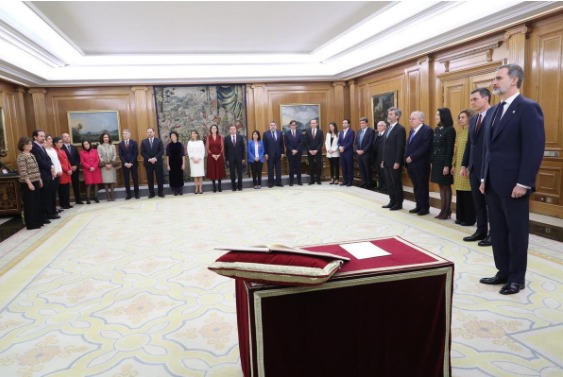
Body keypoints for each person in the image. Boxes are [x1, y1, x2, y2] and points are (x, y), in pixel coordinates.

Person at [479, 63, 545, 295]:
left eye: (498, 78)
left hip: (515, 184)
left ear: (514, 80)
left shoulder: (528, 108)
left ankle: (517, 278)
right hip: (493, 182)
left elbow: (533, 148)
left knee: (516, 233)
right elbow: (489, 149)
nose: (494, 82)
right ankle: (503, 272)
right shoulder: (495, 110)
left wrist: (524, 182)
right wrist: (483, 177)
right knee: (497, 230)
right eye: (494, 78)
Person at [461, 88, 492, 246]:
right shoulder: (474, 119)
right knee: (478, 203)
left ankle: (494, 233)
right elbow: (470, 143)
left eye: (475, 99)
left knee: (491, 204)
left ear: (486, 98)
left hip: (489, 167)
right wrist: (464, 164)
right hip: (474, 167)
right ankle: (481, 230)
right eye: (471, 99)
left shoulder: (495, 115)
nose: (472, 102)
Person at [404, 111, 433, 216]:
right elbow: (409, 145)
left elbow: (425, 147)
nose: (411, 120)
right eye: (410, 118)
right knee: (416, 186)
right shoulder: (412, 131)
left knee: (422, 186)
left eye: (413, 118)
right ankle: (418, 205)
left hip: (421, 164)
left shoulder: (427, 130)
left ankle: (425, 208)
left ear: (421, 119)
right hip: (411, 164)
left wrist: (412, 157)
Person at [431, 108, 456, 219]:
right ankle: (443, 210)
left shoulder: (450, 130)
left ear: (444, 116)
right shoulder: (437, 129)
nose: (436, 116)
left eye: (438, 114)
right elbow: (434, 147)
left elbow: (449, 149)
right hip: (436, 162)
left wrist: (447, 165)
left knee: (446, 186)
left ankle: (447, 211)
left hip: (444, 162)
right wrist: (432, 161)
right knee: (440, 186)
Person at [452, 110, 475, 226]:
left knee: (468, 194)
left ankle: (469, 219)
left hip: (467, 167)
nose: (460, 119)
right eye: (459, 117)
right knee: (459, 193)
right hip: (459, 166)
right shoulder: (460, 131)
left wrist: (468, 166)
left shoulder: (472, 131)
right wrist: (453, 164)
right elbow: (456, 150)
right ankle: (460, 216)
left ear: (469, 118)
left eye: (463, 117)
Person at [381, 108, 406, 210]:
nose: (388, 116)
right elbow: (385, 146)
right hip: (386, 161)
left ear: (397, 117)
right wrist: (383, 160)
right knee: (389, 183)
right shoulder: (387, 129)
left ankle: (398, 203)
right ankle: (392, 201)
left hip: (394, 162)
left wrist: (398, 161)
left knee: (396, 183)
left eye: (391, 114)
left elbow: (400, 147)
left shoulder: (400, 129)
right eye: (388, 114)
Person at [16, 137, 44, 230]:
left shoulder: (31, 155)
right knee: (30, 204)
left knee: (37, 202)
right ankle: (31, 224)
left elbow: (36, 168)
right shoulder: (21, 156)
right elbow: (23, 172)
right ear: (24, 145)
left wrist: (39, 179)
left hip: (35, 180)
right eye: (30, 144)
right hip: (28, 183)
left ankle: (38, 221)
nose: (31, 145)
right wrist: (29, 183)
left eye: (31, 144)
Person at [31, 130, 57, 222]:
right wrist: (50, 168)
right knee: (43, 196)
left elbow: (48, 158)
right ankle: (43, 216)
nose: (43, 138)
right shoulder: (34, 147)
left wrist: (52, 166)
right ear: (35, 137)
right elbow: (39, 161)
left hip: (48, 174)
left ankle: (49, 213)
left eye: (43, 136)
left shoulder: (41, 146)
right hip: (42, 174)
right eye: (41, 136)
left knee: (49, 195)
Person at [141, 128, 165, 198]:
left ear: (154, 132)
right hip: (148, 163)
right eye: (148, 132)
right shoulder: (143, 142)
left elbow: (161, 151)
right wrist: (149, 159)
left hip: (157, 162)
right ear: (146, 133)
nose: (149, 133)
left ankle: (160, 192)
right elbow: (142, 152)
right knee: (150, 178)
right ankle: (151, 193)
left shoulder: (158, 141)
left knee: (159, 178)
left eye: (150, 132)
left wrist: (155, 158)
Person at [118, 129, 140, 200]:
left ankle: (136, 194)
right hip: (125, 165)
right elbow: (120, 155)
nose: (124, 135)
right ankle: (128, 194)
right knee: (126, 180)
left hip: (133, 164)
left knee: (135, 179)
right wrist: (125, 163)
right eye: (123, 134)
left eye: (126, 133)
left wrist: (131, 162)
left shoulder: (134, 143)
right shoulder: (120, 144)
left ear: (129, 135)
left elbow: (135, 153)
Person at [61, 132, 83, 204]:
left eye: (68, 136)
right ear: (62, 139)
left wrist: (76, 165)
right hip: (66, 170)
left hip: (75, 169)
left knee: (76, 185)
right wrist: (70, 167)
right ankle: (66, 202)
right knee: (65, 186)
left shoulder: (74, 147)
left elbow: (77, 158)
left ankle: (78, 200)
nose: (67, 138)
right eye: (65, 137)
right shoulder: (61, 148)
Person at [44, 134, 62, 215]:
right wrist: (54, 172)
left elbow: (57, 161)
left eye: (51, 139)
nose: (51, 140)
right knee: (50, 193)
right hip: (52, 174)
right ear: (45, 140)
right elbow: (49, 164)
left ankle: (54, 207)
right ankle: (51, 209)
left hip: (57, 173)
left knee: (54, 192)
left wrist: (59, 170)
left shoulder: (53, 149)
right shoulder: (45, 150)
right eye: (49, 139)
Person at [263, 121, 284, 187]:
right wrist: (265, 153)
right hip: (270, 155)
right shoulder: (266, 134)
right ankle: (270, 183)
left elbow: (282, 144)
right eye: (271, 125)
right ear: (270, 126)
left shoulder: (280, 133)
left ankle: (279, 183)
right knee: (270, 169)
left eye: (274, 125)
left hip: (278, 155)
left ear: (276, 126)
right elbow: (264, 144)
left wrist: (282, 153)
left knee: (278, 170)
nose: (273, 126)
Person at [355, 117, 375, 189]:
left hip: (366, 154)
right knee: (361, 169)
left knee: (367, 169)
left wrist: (363, 151)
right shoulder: (359, 131)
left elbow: (370, 143)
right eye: (360, 123)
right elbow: (356, 142)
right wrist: (357, 150)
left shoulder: (371, 131)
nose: (361, 124)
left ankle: (369, 183)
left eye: (363, 123)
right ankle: (364, 182)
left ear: (367, 123)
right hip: (359, 154)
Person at [224, 125, 245, 191]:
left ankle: (240, 186)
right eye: (231, 129)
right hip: (231, 158)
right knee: (232, 173)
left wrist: (243, 158)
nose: (233, 130)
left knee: (240, 172)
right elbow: (226, 150)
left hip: (239, 158)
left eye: (234, 129)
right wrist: (227, 159)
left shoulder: (240, 137)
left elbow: (243, 148)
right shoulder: (227, 138)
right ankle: (233, 186)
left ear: (236, 130)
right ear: (229, 131)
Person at [54, 136, 73, 209]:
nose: (62, 143)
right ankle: (63, 204)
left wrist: (70, 168)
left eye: (62, 142)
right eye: (60, 142)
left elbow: (67, 160)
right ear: (55, 143)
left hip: (68, 172)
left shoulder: (63, 150)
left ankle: (67, 203)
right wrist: (66, 170)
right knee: (63, 189)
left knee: (67, 188)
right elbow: (59, 163)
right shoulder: (55, 151)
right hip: (63, 172)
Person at [97, 132, 117, 201]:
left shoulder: (113, 146)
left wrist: (111, 163)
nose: (106, 138)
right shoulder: (100, 146)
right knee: (105, 181)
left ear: (109, 138)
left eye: (107, 137)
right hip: (104, 166)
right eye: (104, 137)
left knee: (112, 181)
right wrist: (105, 164)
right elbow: (99, 156)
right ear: (102, 138)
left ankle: (112, 196)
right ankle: (108, 196)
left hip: (111, 165)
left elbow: (115, 155)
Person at [206, 124, 225, 192]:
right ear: (211, 130)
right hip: (211, 157)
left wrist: (219, 154)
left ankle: (219, 186)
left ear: (217, 129)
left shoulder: (220, 137)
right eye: (212, 128)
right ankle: (214, 186)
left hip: (219, 157)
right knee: (212, 171)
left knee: (219, 170)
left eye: (215, 128)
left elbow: (222, 147)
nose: (214, 129)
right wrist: (212, 155)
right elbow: (207, 148)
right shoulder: (208, 137)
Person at [166, 131, 185, 195]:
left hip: (179, 163)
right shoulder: (169, 145)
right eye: (171, 136)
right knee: (173, 177)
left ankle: (180, 190)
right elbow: (167, 156)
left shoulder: (180, 145)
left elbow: (183, 155)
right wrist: (168, 165)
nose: (172, 137)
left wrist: (183, 164)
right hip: (171, 163)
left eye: (173, 136)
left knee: (180, 176)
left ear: (176, 136)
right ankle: (175, 191)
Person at [305, 119, 324, 185]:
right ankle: (312, 180)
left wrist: (317, 150)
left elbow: (321, 142)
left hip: (318, 151)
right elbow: (306, 142)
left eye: (314, 123)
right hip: (310, 152)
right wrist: (309, 150)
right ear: (310, 124)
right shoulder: (307, 131)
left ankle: (318, 180)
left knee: (319, 166)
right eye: (312, 123)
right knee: (311, 166)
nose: (313, 124)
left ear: (316, 124)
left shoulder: (320, 131)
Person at [285, 120, 303, 186]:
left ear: (296, 125)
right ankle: (291, 182)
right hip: (290, 153)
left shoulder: (299, 132)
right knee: (291, 167)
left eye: (294, 125)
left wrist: (296, 150)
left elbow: (301, 143)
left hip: (298, 153)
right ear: (290, 126)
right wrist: (292, 150)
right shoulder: (287, 133)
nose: (293, 126)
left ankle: (299, 181)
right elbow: (286, 144)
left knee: (298, 167)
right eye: (292, 125)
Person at [338, 119, 355, 187]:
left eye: (345, 123)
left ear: (348, 124)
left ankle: (350, 181)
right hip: (342, 153)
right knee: (344, 167)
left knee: (349, 166)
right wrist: (339, 147)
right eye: (343, 123)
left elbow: (350, 142)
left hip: (348, 152)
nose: (344, 124)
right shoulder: (341, 132)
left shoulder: (351, 132)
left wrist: (343, 148)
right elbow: (338, 142)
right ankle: (345, 180)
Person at [373, 121, 387, 191]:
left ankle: (385, 186)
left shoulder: (386, 134)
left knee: (384, 172)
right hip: (377, 157)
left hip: (383, 157)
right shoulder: (376, 134)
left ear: (385, 126)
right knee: (379, 172)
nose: (379, 127)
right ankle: (380, 184)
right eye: (378, 125)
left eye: (381, 125)